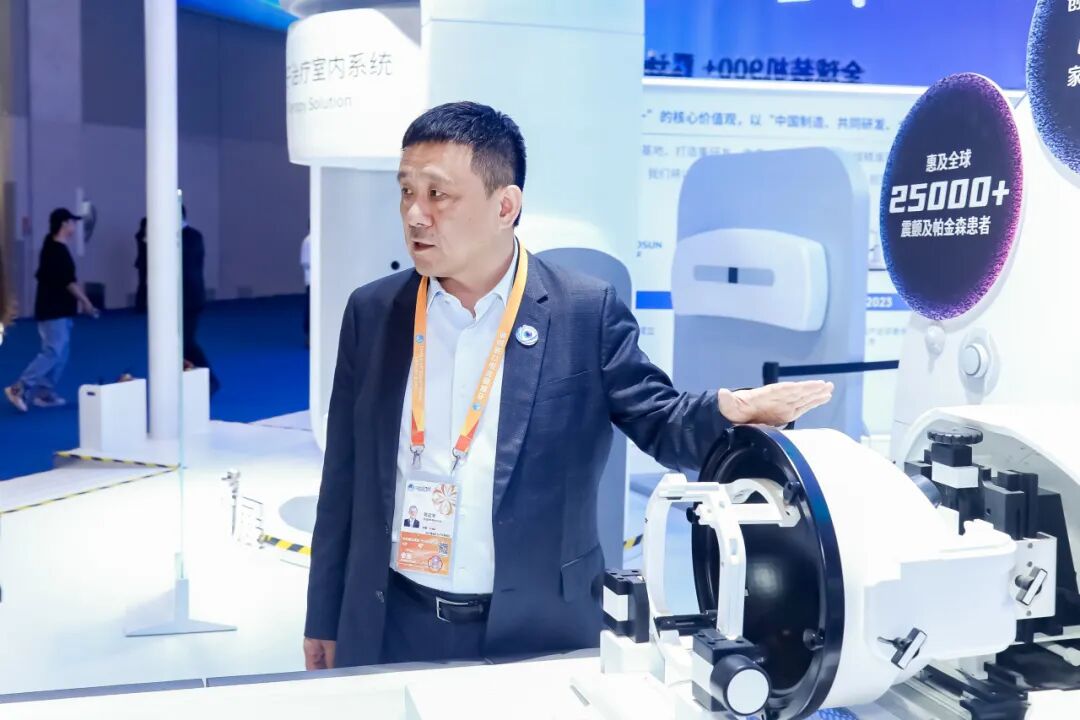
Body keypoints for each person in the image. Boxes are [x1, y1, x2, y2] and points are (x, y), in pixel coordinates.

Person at [303, 102, 833, 671]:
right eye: (407, 191)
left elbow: (660, 419)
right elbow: (343, 477)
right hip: (395, 620)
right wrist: (323, 617)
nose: (415, 214)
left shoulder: (583, 311)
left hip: (537, 629)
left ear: (504, 206)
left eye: (438, 195)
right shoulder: (374, 311)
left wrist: (729, 409)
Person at [5, 208, 98, 411]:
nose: (74, 226)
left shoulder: (52, 245)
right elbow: (69, 282)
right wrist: (86, 302)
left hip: (60, 309)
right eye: (72, 222)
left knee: (61, 353)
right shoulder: (56, 251)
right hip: (52, 310)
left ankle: (44, 393)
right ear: (64, 224)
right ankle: (19, 388)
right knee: (53, 351)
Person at [179, 206, 220, 394]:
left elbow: (187, 269)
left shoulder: (191, 237)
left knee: (186, 342)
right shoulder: (189, 236)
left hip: (189, 298)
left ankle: (209, 378)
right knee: (181, 343)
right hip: (182, 298)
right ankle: (192, 378)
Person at [134, 217, 147, 313]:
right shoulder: (140, 235)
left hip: (147, 263)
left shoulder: (142, 235)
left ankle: (143, 304)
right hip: (143, 263)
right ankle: (140, 306)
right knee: (142, 284)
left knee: (143, 284)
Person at [301, 233, 311, 346]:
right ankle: (309, 335)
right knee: (310, 308)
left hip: (320, 280)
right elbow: (305, 261)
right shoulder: (308, 241)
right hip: (312, 280)